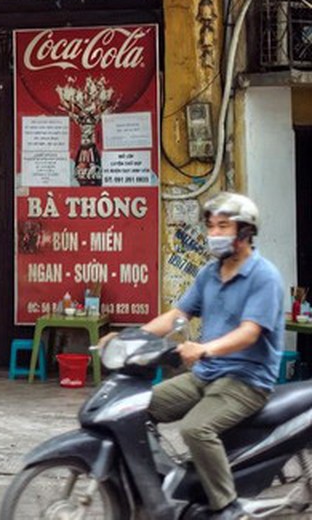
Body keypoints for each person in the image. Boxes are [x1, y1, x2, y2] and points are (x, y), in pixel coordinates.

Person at [108, 192, 282, 520]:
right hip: (206, 374)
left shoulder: (264, 276)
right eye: (211, 226)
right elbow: (177, 315)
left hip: (246, 380)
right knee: (133, 410)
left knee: (195, 430)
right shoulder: (208, 274)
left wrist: (204, 348)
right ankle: (167, 486)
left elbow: (250, 332)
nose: (214, 234)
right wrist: (130, 338)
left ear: (245, 232)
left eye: (224, 226)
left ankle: (227, 506)